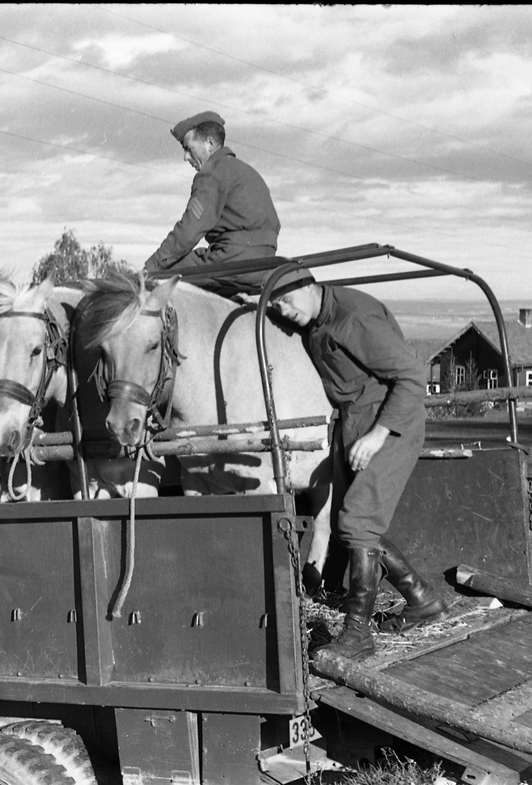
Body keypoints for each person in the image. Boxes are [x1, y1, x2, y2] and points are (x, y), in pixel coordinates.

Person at [266, 268, 447, 660]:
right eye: (275, 305)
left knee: (357, 522)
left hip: (389, 424)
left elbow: (412, 378)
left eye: (286, 300)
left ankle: (357, 635)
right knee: (351, 524)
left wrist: (377, 435)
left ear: (308, 285)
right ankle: (422, 600)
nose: (283, 311)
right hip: (354, 423)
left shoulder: (354, 318)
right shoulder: (314, 318)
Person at [143, 111, 281, 294]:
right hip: (265, 264)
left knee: (159, 279)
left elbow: (189, 230)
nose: (185, 157)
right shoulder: (248, 172)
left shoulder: (212, 172)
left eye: (189, 148)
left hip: (232, 260)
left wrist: (150, 268)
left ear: (209, 143)